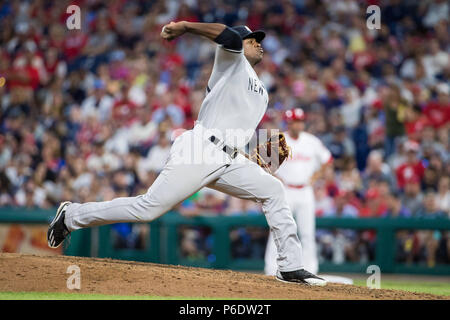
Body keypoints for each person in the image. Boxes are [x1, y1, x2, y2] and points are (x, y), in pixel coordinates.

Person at [47, 21, 326, 286]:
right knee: (148, 208)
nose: (259, 45)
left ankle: (289, 266)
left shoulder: (263, 91)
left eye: (259, 41)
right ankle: (72, 215)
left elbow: (235, 124)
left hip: (230, 157)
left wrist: (251, 156)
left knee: (274, 190)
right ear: (242, 43)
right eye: (253, 40)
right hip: (200, 148)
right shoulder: (232, 61)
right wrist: (186, 27)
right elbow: (228, 36)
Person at [264, 108, 333, 276]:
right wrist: (276, 178)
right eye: (295, 121)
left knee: (307, 232)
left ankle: (311, 269)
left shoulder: (312, 141)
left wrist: (316, 177)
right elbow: (265, 164)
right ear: (289, 123)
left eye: (300, 121)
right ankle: (271, 269)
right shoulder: (280, 141)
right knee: (279, 229)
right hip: (286, 190)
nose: (298, 124)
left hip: (305, 190)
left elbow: (327, 159)